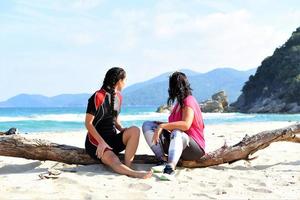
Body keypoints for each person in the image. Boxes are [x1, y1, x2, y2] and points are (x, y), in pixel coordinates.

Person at [85, 67, 152, 179]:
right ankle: (134, 173)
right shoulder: (97, 96)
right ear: (119, 81)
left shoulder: (118, 97)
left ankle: (127, 167)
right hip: (96, 143)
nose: (125, 83)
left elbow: (114, 119)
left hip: (112, 140)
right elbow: (88, 123)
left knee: (135, 130)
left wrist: (121, 129)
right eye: (125, 80)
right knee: (113, 159)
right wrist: (101, 142)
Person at [142, 71, 205, 179]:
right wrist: (161, 125)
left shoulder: (189, 100)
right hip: (176, 143)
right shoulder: (178, 104)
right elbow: (174, 124)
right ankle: (162, 160)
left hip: (194, 149)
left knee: (177, 131)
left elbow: (186, 125)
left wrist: (163, 126)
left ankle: (170, 168)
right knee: (148, 125)